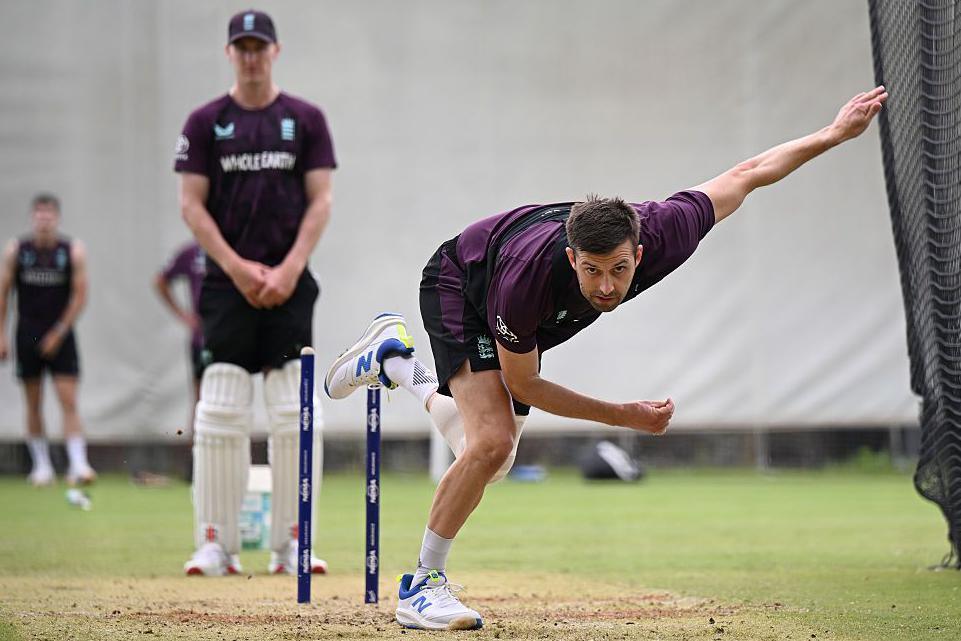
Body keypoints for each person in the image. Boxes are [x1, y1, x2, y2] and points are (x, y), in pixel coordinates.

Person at [324, 87, 889, 630]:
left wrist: (835, 134)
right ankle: (422, 584)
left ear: (639, 253)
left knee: (485, 458)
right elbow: (529, 384)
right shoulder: (528, 282)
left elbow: (746, 175)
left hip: (511, 295)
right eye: (590, 270)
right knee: (493, 442)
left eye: (619, 269)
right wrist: (626, 416)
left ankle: (394, 361)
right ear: (572, 258)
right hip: (463, 282)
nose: (605, 287)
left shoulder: (664, 230)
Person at [174, 9, 336, 577]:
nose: (250, 55)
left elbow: (321, 200)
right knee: (220, 408)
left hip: (290, 284)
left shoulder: (305, 119)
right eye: (240, 47)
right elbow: (191, 205)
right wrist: (239, 268)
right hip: (224, 285)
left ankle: (293, 542)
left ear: (274, 51)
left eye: (258, 46)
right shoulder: (204, 122)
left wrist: (290, 268)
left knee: (293, 411)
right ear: (229, 54)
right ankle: (214, 543)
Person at [0, 193, 95, 487]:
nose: (44, 220)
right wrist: (1, 334)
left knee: (68, 399)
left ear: (57, 218)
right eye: (39, 215)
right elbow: (3, 293)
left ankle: (78, 464)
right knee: (33, 401)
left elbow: (80, 296)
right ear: (33, 217)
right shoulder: (18, 250)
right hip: (27, 333)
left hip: (61, 334)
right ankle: (41, 466)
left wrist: (58, 332)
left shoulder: (72, 251)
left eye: (49, 215)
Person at [152, 241, 205, 482]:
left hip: (233, 338)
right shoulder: (191, 253)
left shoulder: (237, 246)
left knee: (233, 398)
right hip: (202, 340)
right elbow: (160, 280)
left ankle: (229, 461)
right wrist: (183, 315)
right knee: (201, 399)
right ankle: (196, 463)